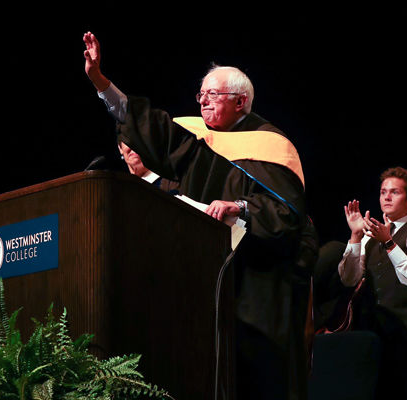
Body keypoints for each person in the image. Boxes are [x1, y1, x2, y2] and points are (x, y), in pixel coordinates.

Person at [83, 32, 311, 400]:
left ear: (241, 102)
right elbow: (148, 126)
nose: (203, 101)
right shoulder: (196, 139)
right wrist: (101, 83)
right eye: (200, 94)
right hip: (202, 280)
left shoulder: (272, 146)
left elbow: (287, 217)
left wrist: (241, 210)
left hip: (257, 288)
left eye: (212, 95)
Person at [338, 166, 407, 400]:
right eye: (383, 192)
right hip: (370, 330)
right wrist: (356, 237)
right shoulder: (369, 234)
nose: (387, 197)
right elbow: (349, 278)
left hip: (406, 332)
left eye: (394, 192)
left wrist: (389, 242)